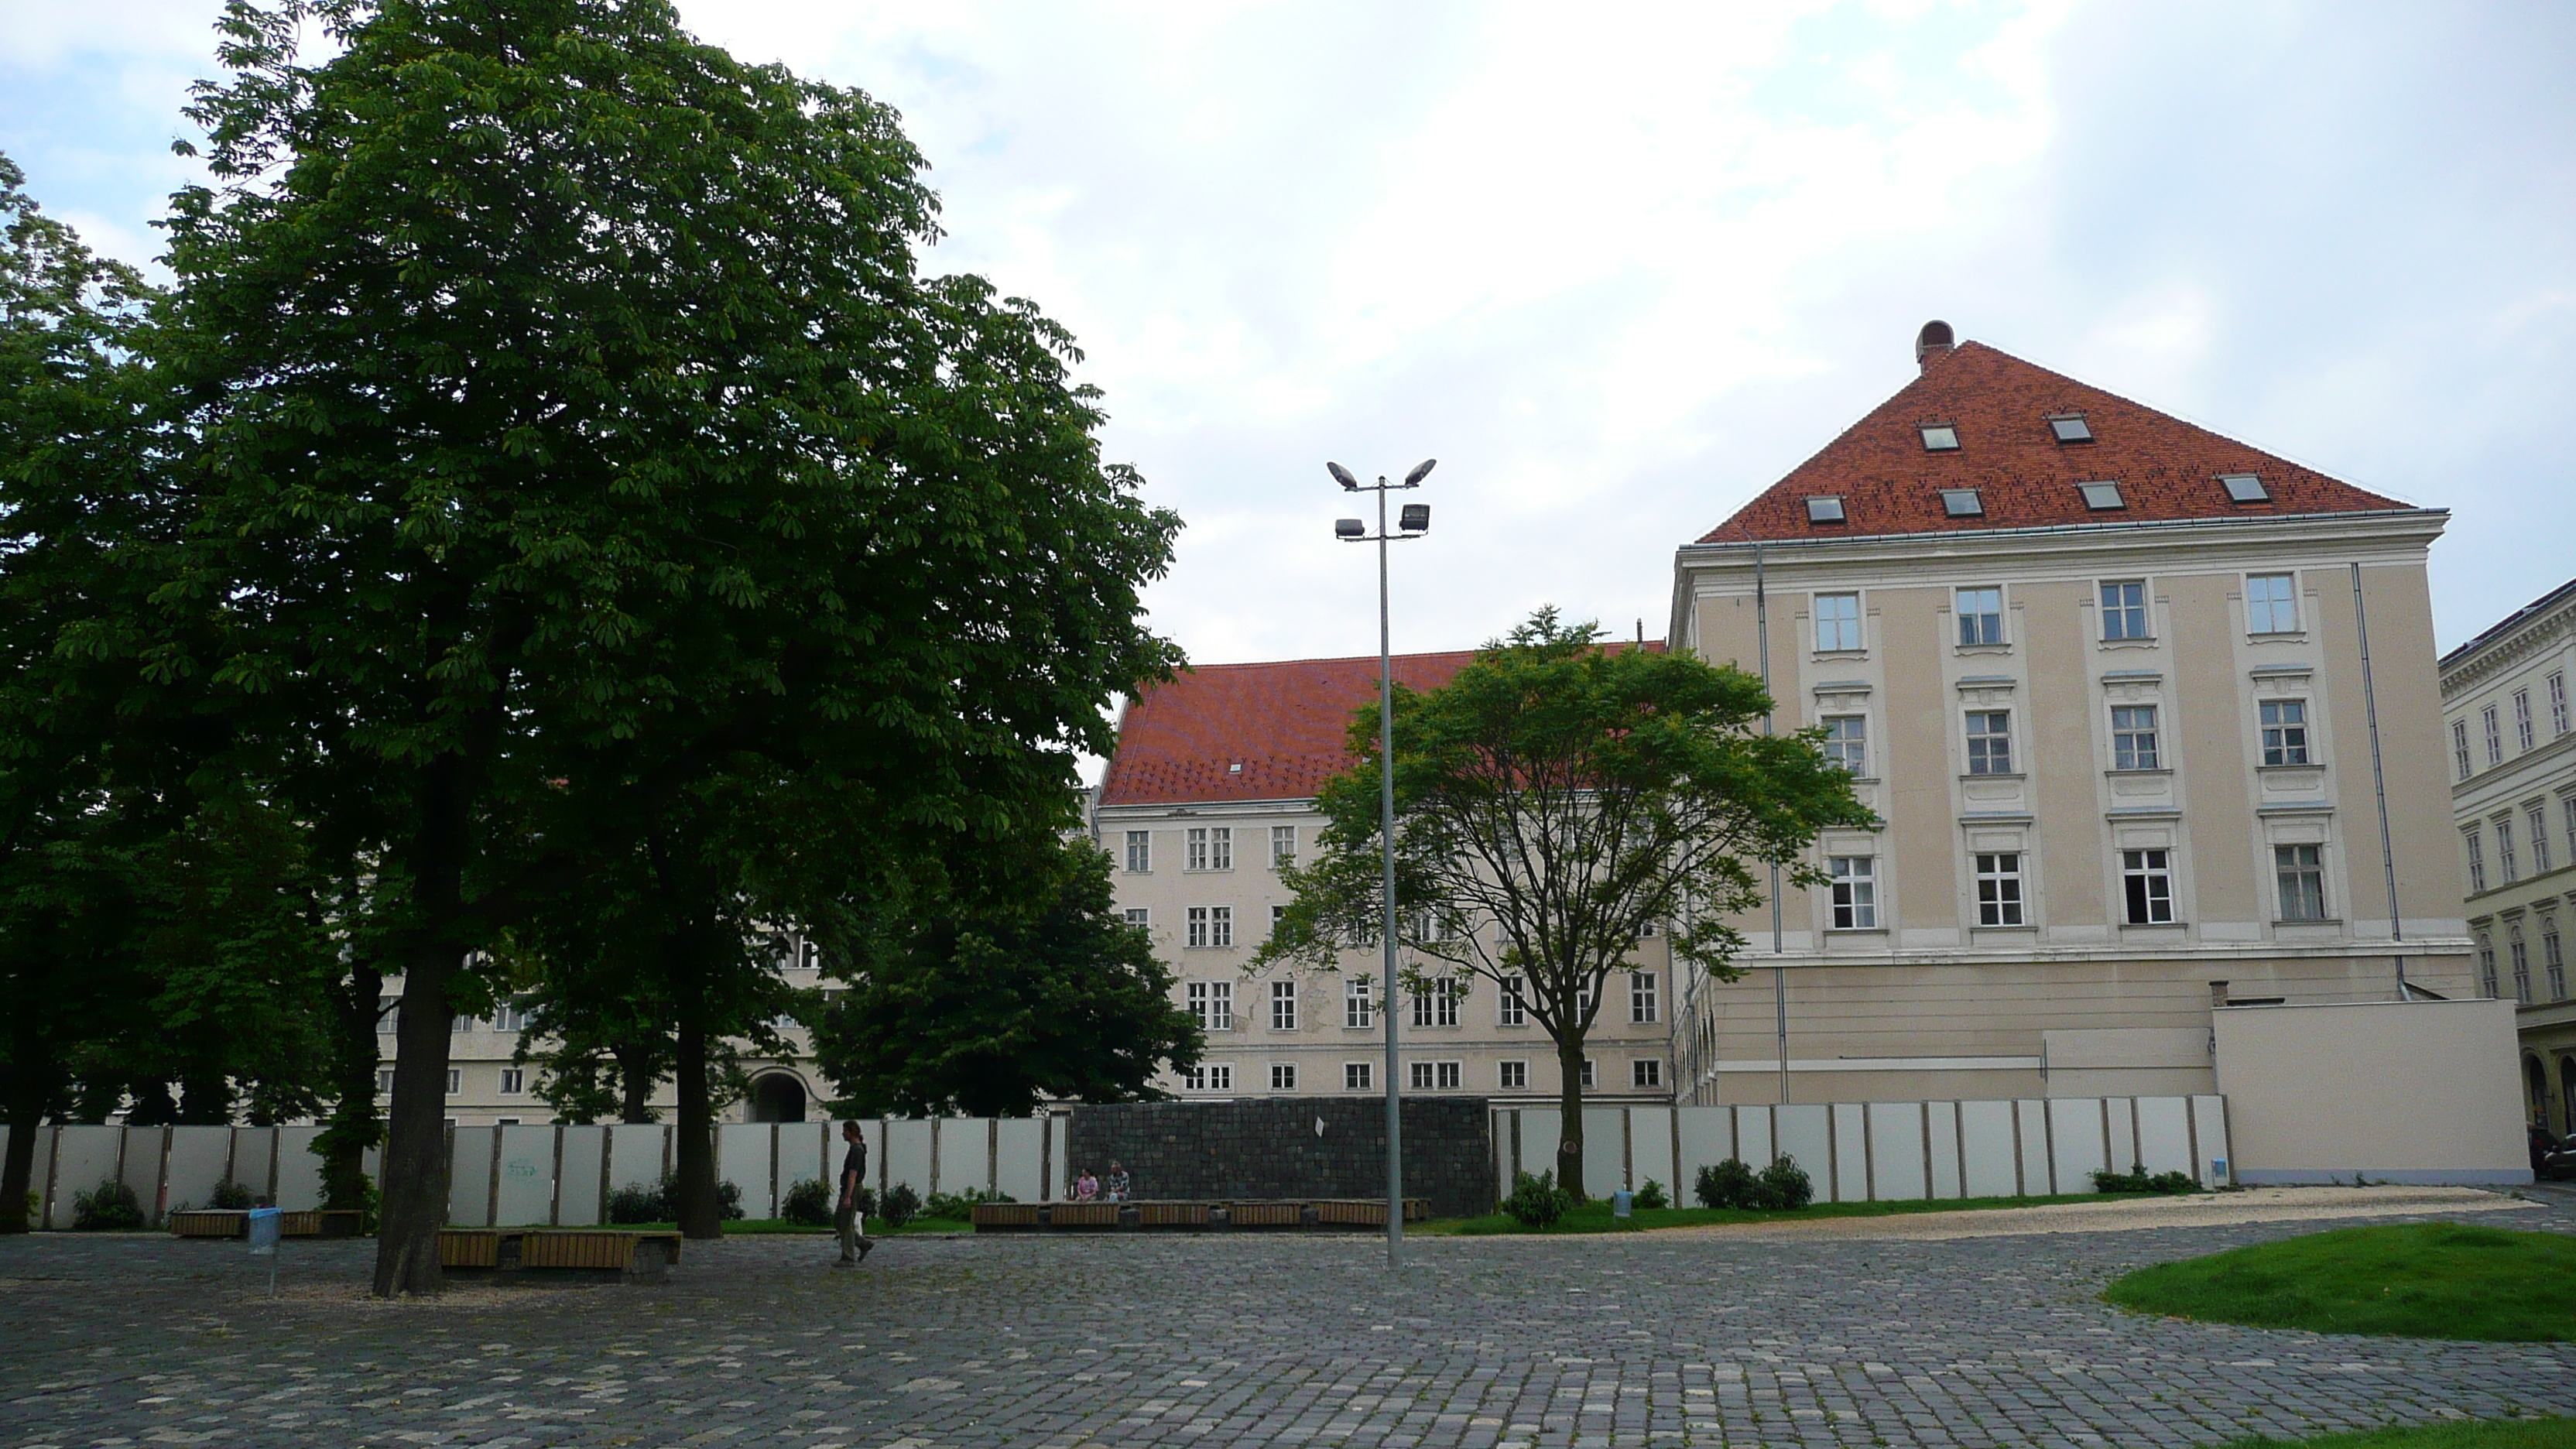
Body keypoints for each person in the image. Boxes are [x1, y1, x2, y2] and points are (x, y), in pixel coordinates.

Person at [834, 1120, 876, 1267]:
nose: (843, 1134)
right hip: (849, 1188)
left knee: (846, 1222)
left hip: (852, 1188)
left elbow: (853, 1174)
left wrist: (848, 1196)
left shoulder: (857, 1151)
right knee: (839, 1220)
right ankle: (862, 1243)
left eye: (845, 1131)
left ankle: (848, 1256)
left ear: (851, 1132)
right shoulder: (855, 1149)